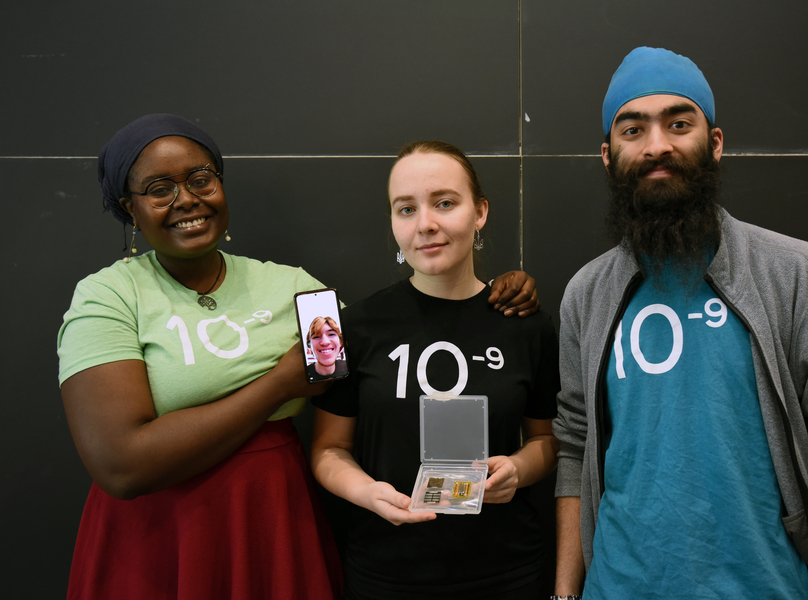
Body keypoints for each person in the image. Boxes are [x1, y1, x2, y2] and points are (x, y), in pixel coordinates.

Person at [57, 114, 540, 600]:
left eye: (200, 179)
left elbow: (390, 343)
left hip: (270, 521)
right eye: (160, 188)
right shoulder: (108, 296)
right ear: (130, 209)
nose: (186, 199)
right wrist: (280, 383)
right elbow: (120, 464)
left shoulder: (294, 288)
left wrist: (498, 297)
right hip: (160, 535)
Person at [552, 47, 808, 600]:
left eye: (679, 123)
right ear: (607, 154)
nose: (657, 145)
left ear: (714, 143)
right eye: (633, 129)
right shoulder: (586, 295)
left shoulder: (798, 277)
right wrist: (565, 593)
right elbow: (575, 444)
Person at [310, 140, 561, 600]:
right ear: (392, 221)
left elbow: (547, 441)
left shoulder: (526, 325)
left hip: (506, 570)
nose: (425, 224)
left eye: (445, 203)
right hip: (387, 572)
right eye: (406, 209)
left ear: (479, 212)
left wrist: (518, 470)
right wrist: (368, 493)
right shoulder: (357, 326)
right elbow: (328, 450)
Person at [306, 315, 348, 381]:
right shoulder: (303, 375)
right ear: (309, 345)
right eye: (316, 337)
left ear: (340, 342)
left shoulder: (350, 367)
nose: (325, 342)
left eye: (331, 334)